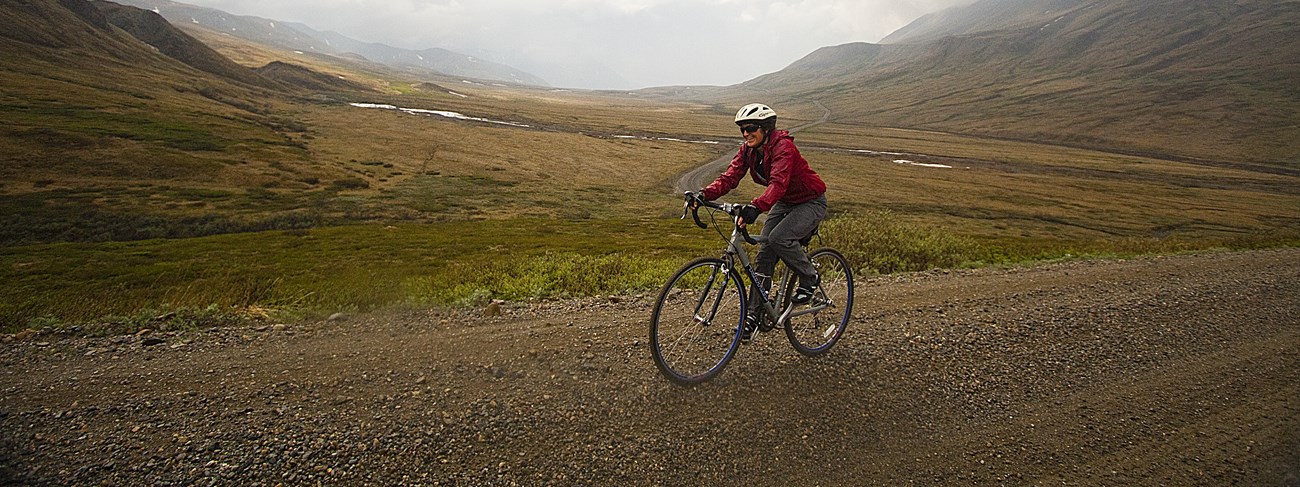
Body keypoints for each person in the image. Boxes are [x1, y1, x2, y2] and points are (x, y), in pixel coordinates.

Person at [693, 103, 828, 341]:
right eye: (742, 130)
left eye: (751, 128)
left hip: (810, 201)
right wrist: (704, 194)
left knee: (779, 239)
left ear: (765, 128)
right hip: (785, 202)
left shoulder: (783, 147)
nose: (746, 134)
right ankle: (754, 316)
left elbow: (778, 183)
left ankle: (809, 277)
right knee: (765, 253)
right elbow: (730, 177)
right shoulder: (748, 151)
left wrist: (757, 206)